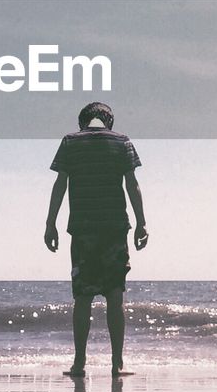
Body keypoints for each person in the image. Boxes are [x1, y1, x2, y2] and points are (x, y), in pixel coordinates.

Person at [44, 101, 148, 376]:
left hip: (83, 229)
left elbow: (60, 185)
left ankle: (79, 363)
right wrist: (141, 223)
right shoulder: (122, 142)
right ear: (108, 120)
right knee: (115, 297)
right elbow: (132, 184)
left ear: (83, 120)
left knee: (82, 297)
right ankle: (117, 364)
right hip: (114, 228)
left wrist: (50, 224)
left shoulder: (70, 142)